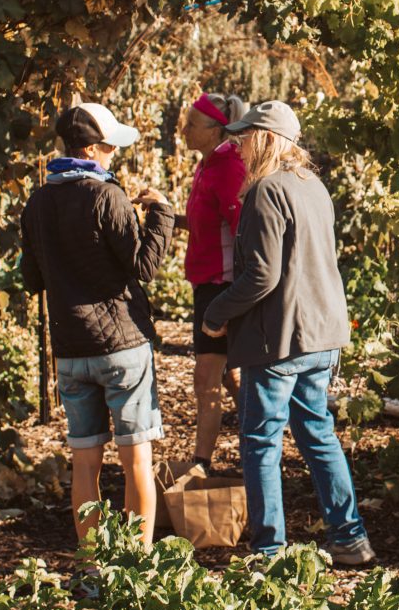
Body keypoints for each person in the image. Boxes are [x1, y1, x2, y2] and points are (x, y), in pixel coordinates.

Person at [198, 100, 374, 566]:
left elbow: (260, 277)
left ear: (270, 140)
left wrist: (216, 313)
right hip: (323, 334)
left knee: (260, 439)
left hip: (282, 339)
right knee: (318, 433)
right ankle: (350, 537)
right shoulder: (314, 187)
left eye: (246, 137)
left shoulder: (266, 192)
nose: (238, 146)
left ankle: (268, 550)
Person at [20, 101, 175, 546]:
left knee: (84, 464)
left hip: (70, 349)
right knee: (136, 461)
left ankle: (90, 568)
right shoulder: (107, 195)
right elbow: (143, 266)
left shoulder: (37, 202)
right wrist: (161, 212)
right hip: (122, 345)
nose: (113, 156)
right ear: (92, 150)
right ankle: (138, 567)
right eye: (109, 147)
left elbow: (32, 279)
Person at [179, 91, 246, 475]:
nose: (184, 129)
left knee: (206, 378)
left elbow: (242, 232)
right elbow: (209, 222)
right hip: (206, 284)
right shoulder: (206, 164)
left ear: (217, 131)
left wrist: (238, 297)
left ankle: (200, 465)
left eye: (192, 124)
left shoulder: (229, 167)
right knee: (227, 374)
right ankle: (261, 436)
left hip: (222, 288)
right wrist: (166, 215)